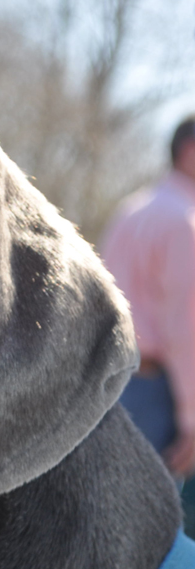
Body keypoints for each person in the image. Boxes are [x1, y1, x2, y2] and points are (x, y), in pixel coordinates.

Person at [102, 117, 195, 490]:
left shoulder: (131, 210)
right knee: (155, 527)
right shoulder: (184, 222)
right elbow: (186, 327)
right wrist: (191, 419)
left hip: (110, 380)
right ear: (190, 152)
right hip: (157, 388)